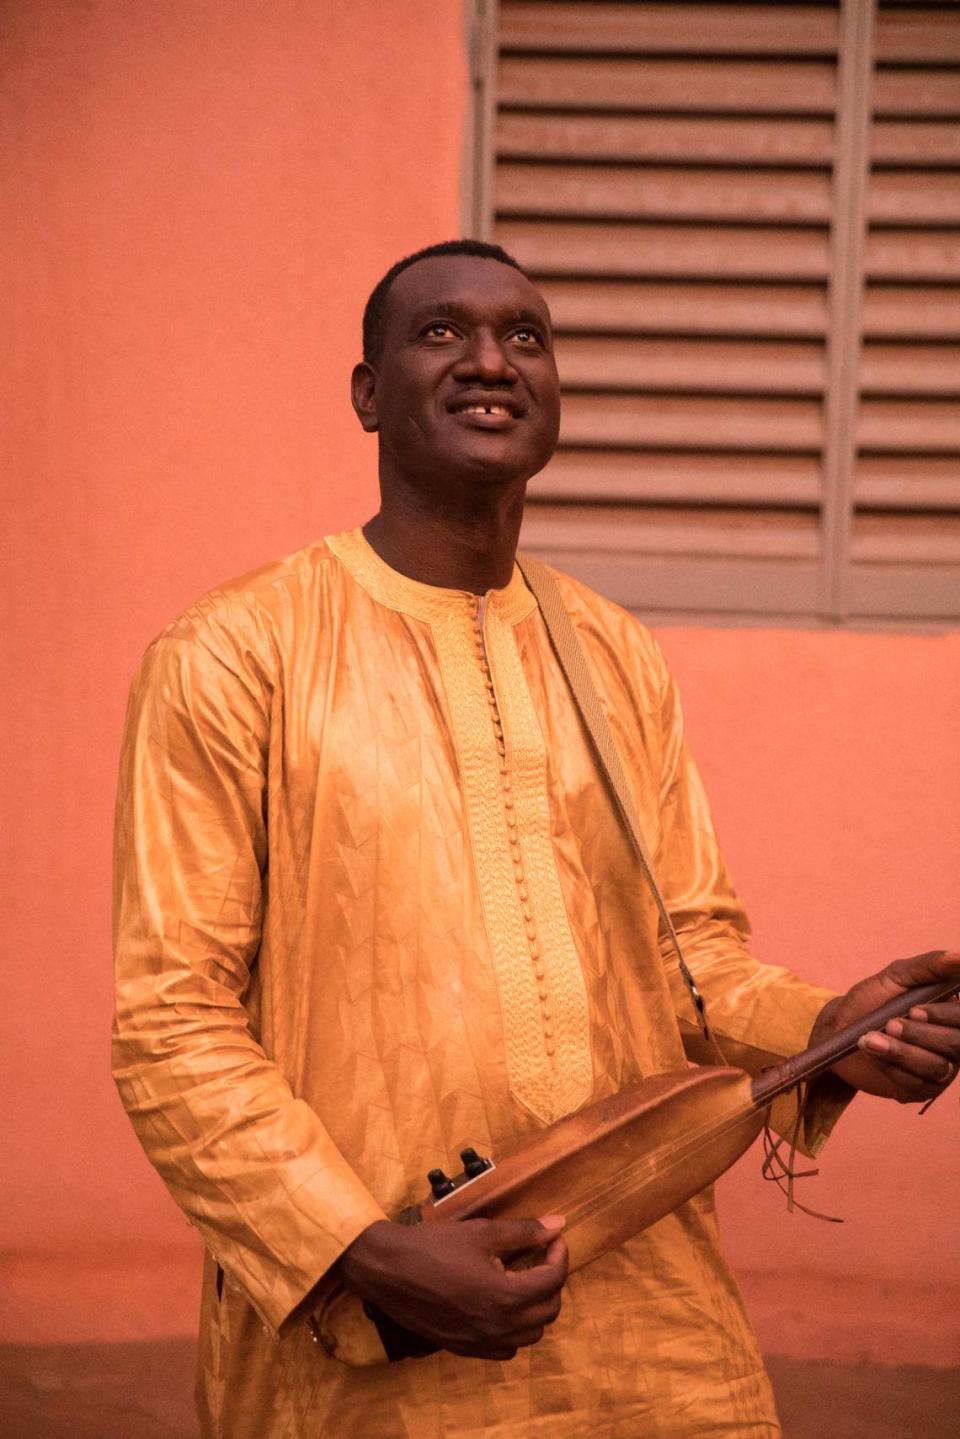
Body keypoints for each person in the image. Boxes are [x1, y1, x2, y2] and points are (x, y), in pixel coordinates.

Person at [112, 239, 959, 1439]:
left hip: (643, 1316)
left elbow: (692, 959)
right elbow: (171, 1020)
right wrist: (357, 1248)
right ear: (367, 392)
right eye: (440, 332)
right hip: (378, 1334)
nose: (488, 359)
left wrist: (826, 1033)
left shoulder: (615, 654)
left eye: (524, 335)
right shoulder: (235, 651)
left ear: (555, 393)